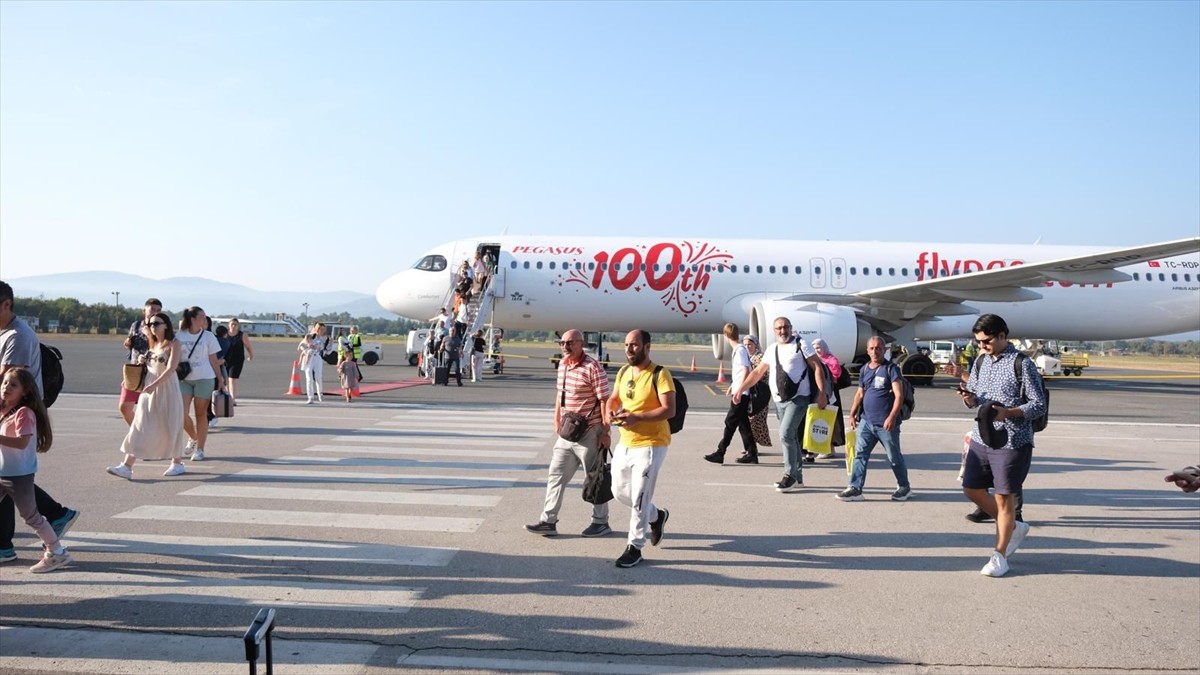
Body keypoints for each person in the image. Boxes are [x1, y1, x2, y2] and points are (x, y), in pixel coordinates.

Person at [957, 313, 1047, 578]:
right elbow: (975, 398)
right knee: (971, 488)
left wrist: (1008, 413)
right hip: (981, 436)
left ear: (1002, 335)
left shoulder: (1022, 364)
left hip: (1012, 440)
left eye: (986, 341)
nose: (981, 346)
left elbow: (1038, 404)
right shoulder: (980, 362)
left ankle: (999, 555)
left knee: (1003, 498)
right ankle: (1013, 526)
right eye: (978, 342)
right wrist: (968, 398)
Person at [0, 281, 79, 565]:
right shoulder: (6, 333)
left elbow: (9, 380)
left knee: (26, 506)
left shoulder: (18, 336)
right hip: (6, 422)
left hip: (14, 418)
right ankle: (51, 520)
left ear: (7, 304)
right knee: (9, 483)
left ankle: (55, 547)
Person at [525, 329, 613, 538]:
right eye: (561, 343)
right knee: (555, 475)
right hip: (567, 432)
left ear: (581, 343)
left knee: (595, 478)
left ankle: (600, 522)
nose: (565, 347)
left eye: (569, 343)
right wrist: (557, 420)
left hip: (590, 432)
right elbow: (560, 395)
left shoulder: (593, 367)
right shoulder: (563, 365)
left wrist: (605, 430)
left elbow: (604, 400)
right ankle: (548, 520)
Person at [732, 317, 828, 493]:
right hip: (779, 400)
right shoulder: (772, 349)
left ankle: (789, 475)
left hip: (799, 398)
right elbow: (757, 372)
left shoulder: (801, 344)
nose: (782, 331)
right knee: (790, 437)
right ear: (774, 331)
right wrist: (740, 389)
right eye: (779, 328)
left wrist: (822, 393)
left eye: (785, 327)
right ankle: (798, 478)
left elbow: (817, 367)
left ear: (791, 328)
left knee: (785, 434)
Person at [605, 329, 674, 568]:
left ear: (647, 347)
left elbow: (669, 409)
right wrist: (610, 413)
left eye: (634, 345)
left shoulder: (660, 374)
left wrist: (638, 417)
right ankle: (657, 516)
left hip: (651, 444)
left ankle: (634, 546)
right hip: (625, 441)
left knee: (640, 498)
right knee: (619, 491)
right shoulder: (624, 372)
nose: (629, 349)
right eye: (626, 345)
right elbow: (613, 398)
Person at [0, 367, 72, 572]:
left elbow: (22, 443)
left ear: (25, 391)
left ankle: (57, 552)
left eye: (13, 384)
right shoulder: (4, 410)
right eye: (5, 382)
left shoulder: (24, 413)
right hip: (3, 472)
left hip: (18, 474)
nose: (6, 387)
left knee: (31, 516)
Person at [106, 312, 188, 479]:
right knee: (141, 423)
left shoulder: (174, 344)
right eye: (150, 324)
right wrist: (142, 365)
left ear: (166, 325)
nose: (153, 326)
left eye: (157, 323)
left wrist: (154, 385)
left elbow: (171, 368)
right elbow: (150, 367)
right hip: (149, 388)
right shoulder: (153, 344)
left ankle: (177, 462)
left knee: (171, 423)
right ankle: (127, 466)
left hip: (167, 388)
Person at [838, 336, 912, 502]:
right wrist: (851, 414)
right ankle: (855, 488)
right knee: (860, 455)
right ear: (867, 351)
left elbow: (899, 396)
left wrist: (892, 417)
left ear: (884, 350)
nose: (875, 351)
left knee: (894, 457)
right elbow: (860, 393)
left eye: (878, 348)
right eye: (871, 348)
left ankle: (904, 487)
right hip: (866, 422)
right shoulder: (865, 369)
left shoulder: (891, 369)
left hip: (886, 424)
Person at [705, 322, 757, 465]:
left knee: (730, 422)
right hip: (741, 390)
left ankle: (720, 452)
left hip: (742, 393)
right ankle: (752, 453)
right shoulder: (739, 350)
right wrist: (733, 386)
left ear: (725, 335)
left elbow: (746, 370)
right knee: (743, 424)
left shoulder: (739, 350)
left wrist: (739, 390)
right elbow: (740, 372)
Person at [177, 306, 223, 461]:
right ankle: (193, 436)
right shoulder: (179, 335)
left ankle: (200, 449)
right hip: (184, 379)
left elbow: (213, 359)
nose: (205, 319)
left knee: (200, 413)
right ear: (192, 319)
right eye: (202, 316)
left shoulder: (208, 336)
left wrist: (220, 379)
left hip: (204, 378)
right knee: (181, 413)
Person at [120, 298, 162, 424]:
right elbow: (132, 341)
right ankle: (137, 432)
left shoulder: (160, 327)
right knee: (125, 407)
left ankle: (146, 436)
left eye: (158, 310)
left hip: (152, 371)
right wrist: (128, 343)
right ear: (144, 310)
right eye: (152, 309)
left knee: (149, 410)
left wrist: (149, 335)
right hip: (134, 371)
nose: (155, 312)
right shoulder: (136, 325)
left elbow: (161, 348)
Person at [810, 337, 848, 461]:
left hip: (831, 395)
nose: (818, 350)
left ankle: (829, 449)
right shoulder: (814, 360)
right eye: (815, 348)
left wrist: (825, 370)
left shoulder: (831, 359)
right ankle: (820, 447)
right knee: (819, 422)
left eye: (819, 348)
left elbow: (836, 374)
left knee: (830, 422)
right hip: (820, 393)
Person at [742, 335, 773, 451]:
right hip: (751, 393)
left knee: (757, 420)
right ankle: (751, 446)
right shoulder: (746, 357)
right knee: (750, 420)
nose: (747, 347)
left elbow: (762, 374)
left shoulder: (760, 358)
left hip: (760, 394)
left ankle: (752, 447)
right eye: (745, 345)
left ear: (755, 345)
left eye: (749, 344)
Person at [223, 318, 253, 405]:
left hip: (237, 360)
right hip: (225, 360)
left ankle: (232, 399)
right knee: (225, 379)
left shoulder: (242, 335)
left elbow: (248, 346)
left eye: (235, 324)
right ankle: (226, 397)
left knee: (232, 379)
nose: (233, 326)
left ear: (238, 326)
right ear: (228, 325)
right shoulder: (225, 334)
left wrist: (251, 355)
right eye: (232, 324)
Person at [297, 331, 323, 403]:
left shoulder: (318, 339)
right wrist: (304, 350)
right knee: (309, 379)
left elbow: (320, 347)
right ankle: (310, 397)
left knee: (318, 377)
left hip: (317, 358)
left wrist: (315, 347)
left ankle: (320, 393)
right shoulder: (309, 336)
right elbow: (300, 346)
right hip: (308, 359)